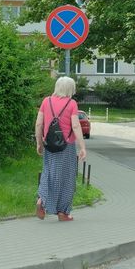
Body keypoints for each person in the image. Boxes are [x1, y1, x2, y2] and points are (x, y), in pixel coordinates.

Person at [35, 76, 87, 221]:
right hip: (66, 146)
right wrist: (82, 147)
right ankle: (63, 212)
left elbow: (39, 124)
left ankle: (42, 200)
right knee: (67, 178)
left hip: (49, 145)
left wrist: (39, 143)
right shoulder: (72, 104)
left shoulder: (46, 101)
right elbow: (76, 126)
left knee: (48, 172)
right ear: (71, 89)